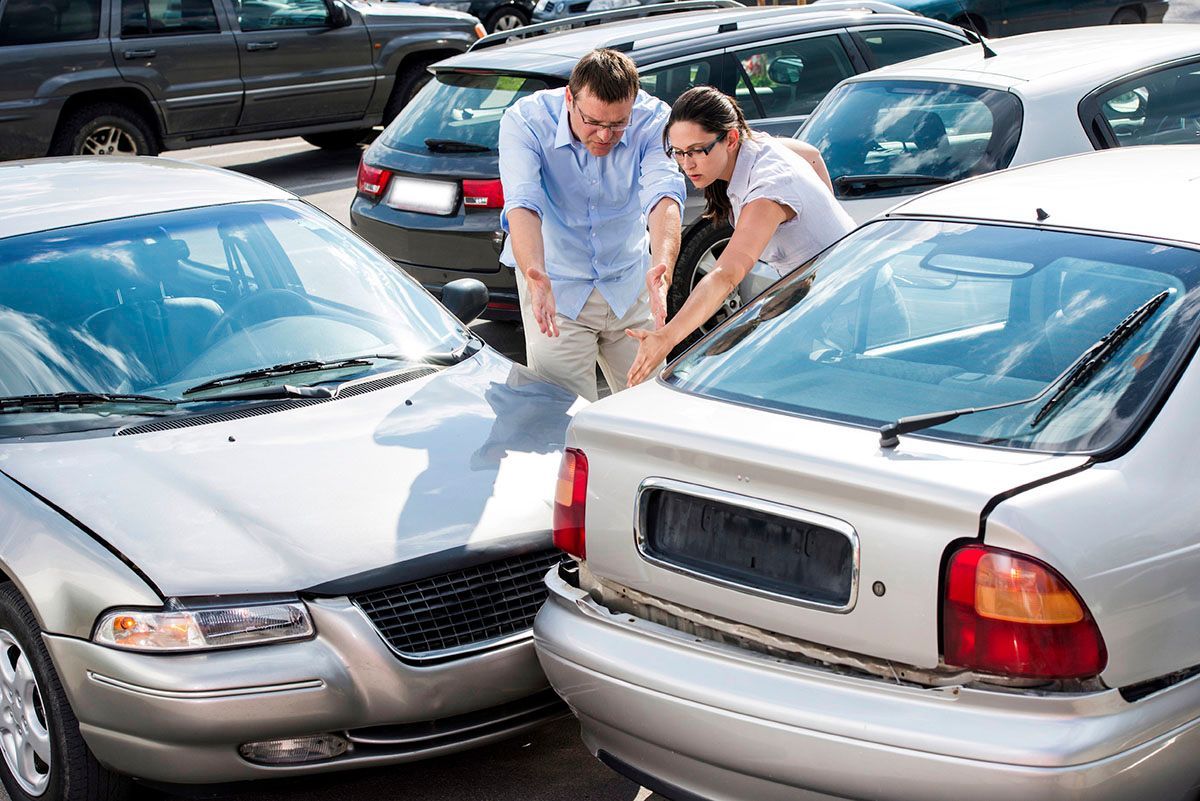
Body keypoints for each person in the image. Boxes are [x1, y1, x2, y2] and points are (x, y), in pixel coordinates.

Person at [625, 85, 855, 386]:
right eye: (678, 152)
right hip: (819, 300)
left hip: (854, 313)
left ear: (730, 139)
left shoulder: (769, 188)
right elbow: (811, 156)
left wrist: (667, 337)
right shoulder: (755, 144)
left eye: (697, 151)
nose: (687, 164)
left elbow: (726, 274)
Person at [498, 48, 686, 401]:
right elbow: (523, 202)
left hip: (629, 285)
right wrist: (534, 273)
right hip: (556, 291)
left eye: (618, 124)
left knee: (649, 409)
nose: (604, 135)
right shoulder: (525, 120)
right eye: (594, 122)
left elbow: (664, 195)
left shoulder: (654, 119)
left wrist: (662, 267)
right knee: (565, 423)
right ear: (570, 98)